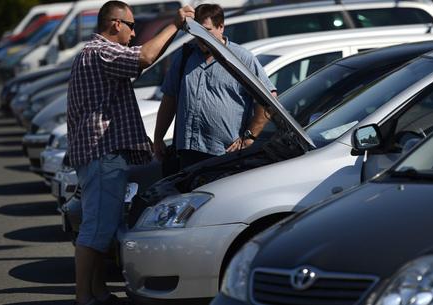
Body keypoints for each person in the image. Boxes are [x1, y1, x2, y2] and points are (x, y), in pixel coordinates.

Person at [66, 2, 194, 305]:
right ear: (115, 25)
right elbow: (146, 56)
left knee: (101, 230)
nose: (135, 32)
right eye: (131, 26)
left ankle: (98, 292)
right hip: (102, 155)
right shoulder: (101, 51)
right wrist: (175, 25)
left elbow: (144, 57)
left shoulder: (94, 53)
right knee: (95, 230)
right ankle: (84, 297)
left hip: (102, 155)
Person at [153, 3, 277, 169]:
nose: (200, 36)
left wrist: (249, 137)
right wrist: (158, 137)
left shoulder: (241, 59)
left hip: (225, 155)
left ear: (221, 27)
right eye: (196, 30)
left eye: (207, 30)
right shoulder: (185, 55)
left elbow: (269, 101)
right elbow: (170, 98)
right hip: (188, 153)